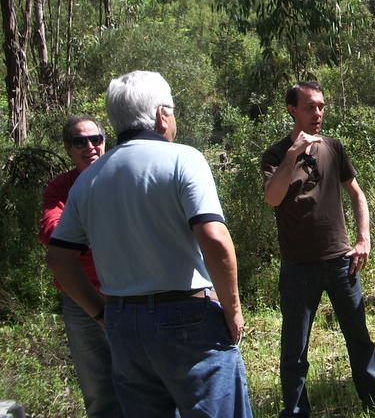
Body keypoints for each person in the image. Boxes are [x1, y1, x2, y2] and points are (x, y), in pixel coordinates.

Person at [46, 70, 252, 418]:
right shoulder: (183, 158)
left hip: (124, 322)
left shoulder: (89, 180)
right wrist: (232, 311)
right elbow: (214, 238)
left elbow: (59, 258)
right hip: (188, 317)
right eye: (171, 110)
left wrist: (100, 313)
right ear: (161, 115)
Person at [262, 81, 375, 418]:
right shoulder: (275, 155)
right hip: (298, 266)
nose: (317, 113)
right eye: (309, 107)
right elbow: (273, 197)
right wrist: (293, 156)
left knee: (359, 336)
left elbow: (357, 194)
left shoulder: (333, 147)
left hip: (340, 261)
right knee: (294, 347)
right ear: (292, 110)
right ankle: (296, 410)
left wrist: (364, 239)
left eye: (320, 106)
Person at [39, 116, 122, 418]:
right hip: (81, 298)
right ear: (68, 148)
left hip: (130, 292)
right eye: (79, 141)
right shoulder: (60, 187)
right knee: (99, 388)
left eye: (95, 139)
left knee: (148, 380)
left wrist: (80, 236)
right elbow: (52, 232)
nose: (89, 146)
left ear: (105, 141)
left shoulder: (121, 177)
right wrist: (104, 233)